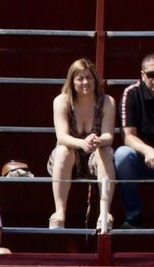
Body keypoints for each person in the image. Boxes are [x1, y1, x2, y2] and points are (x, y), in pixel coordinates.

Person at [48, 58, 116, 230]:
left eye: (89, 77)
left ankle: (104, 211)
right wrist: (81, 142)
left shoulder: (107, 101)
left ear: (95, 79)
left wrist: (99, 141)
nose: (85, 82)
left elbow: (109, 135)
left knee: (106, 151)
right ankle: (59, 212)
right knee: (63, 150)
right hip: (69, 158)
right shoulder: (62, 101)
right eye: (80, 78)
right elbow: (62, 137)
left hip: (96, 157)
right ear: (72, 81)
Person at [115, 53, 154, 229]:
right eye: (152, 75)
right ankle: (133, 213)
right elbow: (128, 136)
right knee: (122, 155)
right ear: (143, 74)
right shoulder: (132, 93)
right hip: (141, 159)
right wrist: (148, 151)